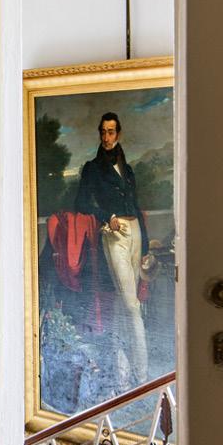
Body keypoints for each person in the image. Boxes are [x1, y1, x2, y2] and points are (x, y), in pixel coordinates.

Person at [74, 112, 151, 383]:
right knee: (132, 304)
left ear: (118, 134)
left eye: (111, 132)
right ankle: (142, 375)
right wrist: (108, 216)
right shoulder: (93, 168)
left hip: (136, 233)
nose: (107, 137)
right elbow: (81, 203)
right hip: (115, 233)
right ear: (100, 134)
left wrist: (145, 246)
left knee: (123, 301)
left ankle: (122, 371)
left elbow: (136, 206)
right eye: (103, 132)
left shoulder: (127, 169)